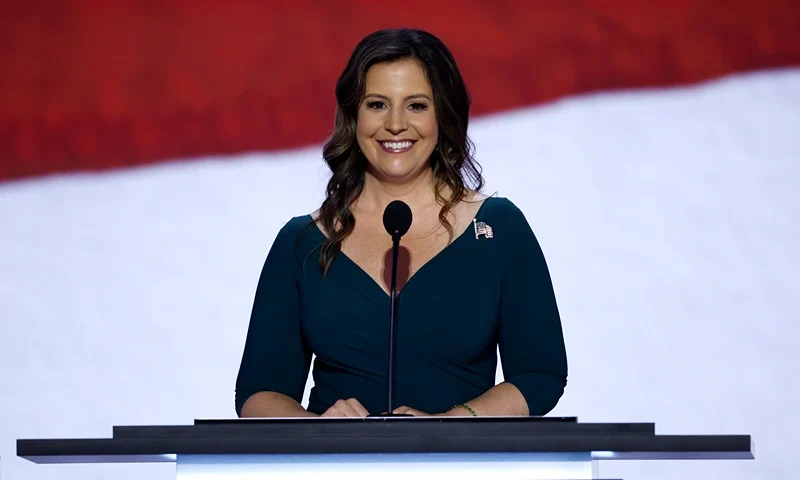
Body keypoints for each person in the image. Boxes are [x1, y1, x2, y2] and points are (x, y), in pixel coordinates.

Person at [234, 28, 567, 418]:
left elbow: (539, 375)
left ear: (443, 114)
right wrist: (316, 429)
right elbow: (259, 392)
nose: (395, 124)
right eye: (377, 104)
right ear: (353, 115)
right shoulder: (302, 241)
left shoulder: (497, 229)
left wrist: (453, 424)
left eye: (416, 106)